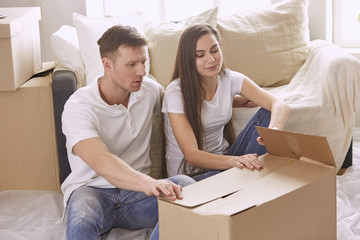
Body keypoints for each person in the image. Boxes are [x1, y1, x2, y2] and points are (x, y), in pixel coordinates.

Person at [60, 25, 195, 240]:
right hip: (93, 191)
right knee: (82, 219)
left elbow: (180, 103)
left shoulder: (148, 90)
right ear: (107, 65)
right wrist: (148, 183)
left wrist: (235, 100)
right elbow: (100, 161)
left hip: (138, 199)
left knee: (187, 187)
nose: (141, 71)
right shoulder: (79, 106)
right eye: (131, 64)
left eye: (143, 62)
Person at [162, 24, 290, 180]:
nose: (211, 59)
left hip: (226, 162)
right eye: (200, 55)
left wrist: (274, 132)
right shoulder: (175, 92)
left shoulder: (230, 78)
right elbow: (192, 155)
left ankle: (247, 178)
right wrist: (237, 161)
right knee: (236, 179)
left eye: (214, 50)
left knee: (267, 113)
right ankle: (248, 179)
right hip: (192, 175)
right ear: (188, 59)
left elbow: (279, 104)